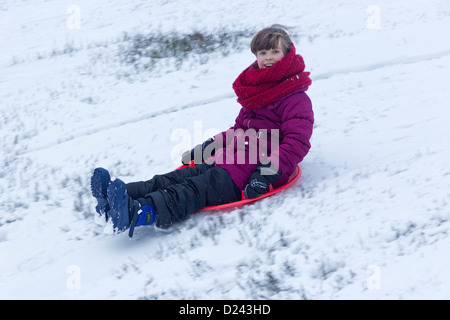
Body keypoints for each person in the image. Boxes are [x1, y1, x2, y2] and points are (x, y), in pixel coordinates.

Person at [90, 25, 314, 237]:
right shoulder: (257, 92)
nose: (268, 57)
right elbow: (239, 130)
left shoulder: (295, 97)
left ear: (287, 53)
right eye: (263, 52)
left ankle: (135, 213)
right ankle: (118, 196)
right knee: (174, 177)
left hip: (250, 171)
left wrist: (265, 175)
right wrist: (208, 147)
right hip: (229, 159)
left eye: (275, 51)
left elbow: (297, 142)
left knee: (191, 190)